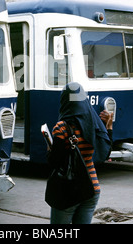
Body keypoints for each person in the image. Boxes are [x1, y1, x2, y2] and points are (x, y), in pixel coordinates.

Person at [47, 82, 113, 224]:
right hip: (91, 189)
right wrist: (109, 127)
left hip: (68, 191)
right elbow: (105, 153)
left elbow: (55, 162)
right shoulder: (94, 125)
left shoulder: (61, 128)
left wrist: (50, 149)